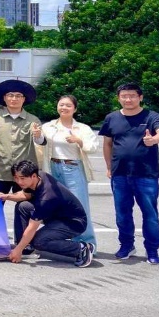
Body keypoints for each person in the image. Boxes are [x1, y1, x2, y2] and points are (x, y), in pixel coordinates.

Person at [99, 82, 159, 264]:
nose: (128, 99)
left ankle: (152, 250)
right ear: (119, 98)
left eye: (132, 96)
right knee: (122, 213)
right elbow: (107, 144)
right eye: (124, 96)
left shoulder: (151, 116)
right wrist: (109, 167)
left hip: (146, 174)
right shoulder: (111, 118)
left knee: (150, 214)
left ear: (140, 97)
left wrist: (153, 139)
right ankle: (126, 245)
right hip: (120, 174)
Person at [0, 160, 95, 267]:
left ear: (33, 176)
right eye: (16, 178)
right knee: (23, 206)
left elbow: (32, 227)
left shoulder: (46, 198)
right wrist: (6, 196)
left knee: (38, 241)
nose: (19, 182)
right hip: (56, 215)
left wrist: (17, 250)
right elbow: (25, 195)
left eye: (22, 178)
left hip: (73, 223)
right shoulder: (39, 177)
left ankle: (81, 249)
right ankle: (25, 247)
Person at [40, 95, 100, 248]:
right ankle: (60, 241)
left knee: (79, 206)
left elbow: (93, 147)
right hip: (52, 167)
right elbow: (40, 142)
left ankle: (87, 242)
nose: (64, 108)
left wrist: (79, 141)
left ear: (75, 109)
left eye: (68, 105)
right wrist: (36, 135)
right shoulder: (48, 126)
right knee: (56, 205)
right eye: (61, 105)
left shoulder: (82, 128)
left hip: (73, 168)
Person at [0, 79, 45, 199]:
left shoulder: (33, 120)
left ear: (24, 99)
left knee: (25, 205)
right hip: (0, 170)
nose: (14, 99)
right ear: (4, 98)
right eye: (10, 95)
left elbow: (40, 142)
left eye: (18, 96)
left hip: (24, 173)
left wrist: (38, 135)